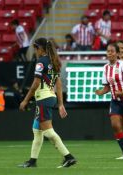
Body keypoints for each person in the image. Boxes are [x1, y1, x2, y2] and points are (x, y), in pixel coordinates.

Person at [18, 37, 76, 168]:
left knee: (49, 132)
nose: (35, 51)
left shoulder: (41, 62)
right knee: (36, 130)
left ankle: (68, 157)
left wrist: (25, 100)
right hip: (50, 97)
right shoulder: (54, 62)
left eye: (36, 48)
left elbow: (35, 83)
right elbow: (59, 84)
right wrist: (60, 104)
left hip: (43, 99)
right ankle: (32, 161)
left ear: (41, 48)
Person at [95, 43, 123, 159]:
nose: (110, 53)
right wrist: (101, 92)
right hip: (115, 101)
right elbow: (107, 87)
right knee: (115, 125)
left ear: (118, 53)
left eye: (112, 51)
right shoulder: (105, 68)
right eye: (108, 51)